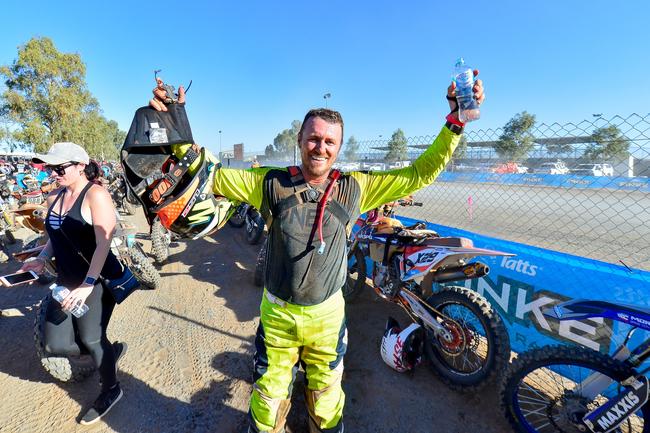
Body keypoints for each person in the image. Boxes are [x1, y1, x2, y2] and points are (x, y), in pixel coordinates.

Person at [149, 73, 484, 433]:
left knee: (326, 401)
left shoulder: (356, 187)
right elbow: (211, 175)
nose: (320, 147)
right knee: (267, 401)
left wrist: (455, 122)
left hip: (328, 316)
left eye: (328, 141)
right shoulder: (269, 183)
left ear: (338, 148)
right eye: (313, 139)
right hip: (278, 315)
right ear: (300, 140)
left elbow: (419, 173)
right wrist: (174, 123)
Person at [21, 142, 127, 425]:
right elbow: (54, 239)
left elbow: (104, 243)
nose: (54, 173)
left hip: (96, 280)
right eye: (50, 167)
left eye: (60, 167)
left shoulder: (96, 195)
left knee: (92, 337)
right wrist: (41, 259)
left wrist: (88, 284)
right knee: (56, 345)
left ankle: (111, 388)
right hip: (65, 281)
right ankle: (106, 352)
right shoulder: (53, 196)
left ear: (80, 166)